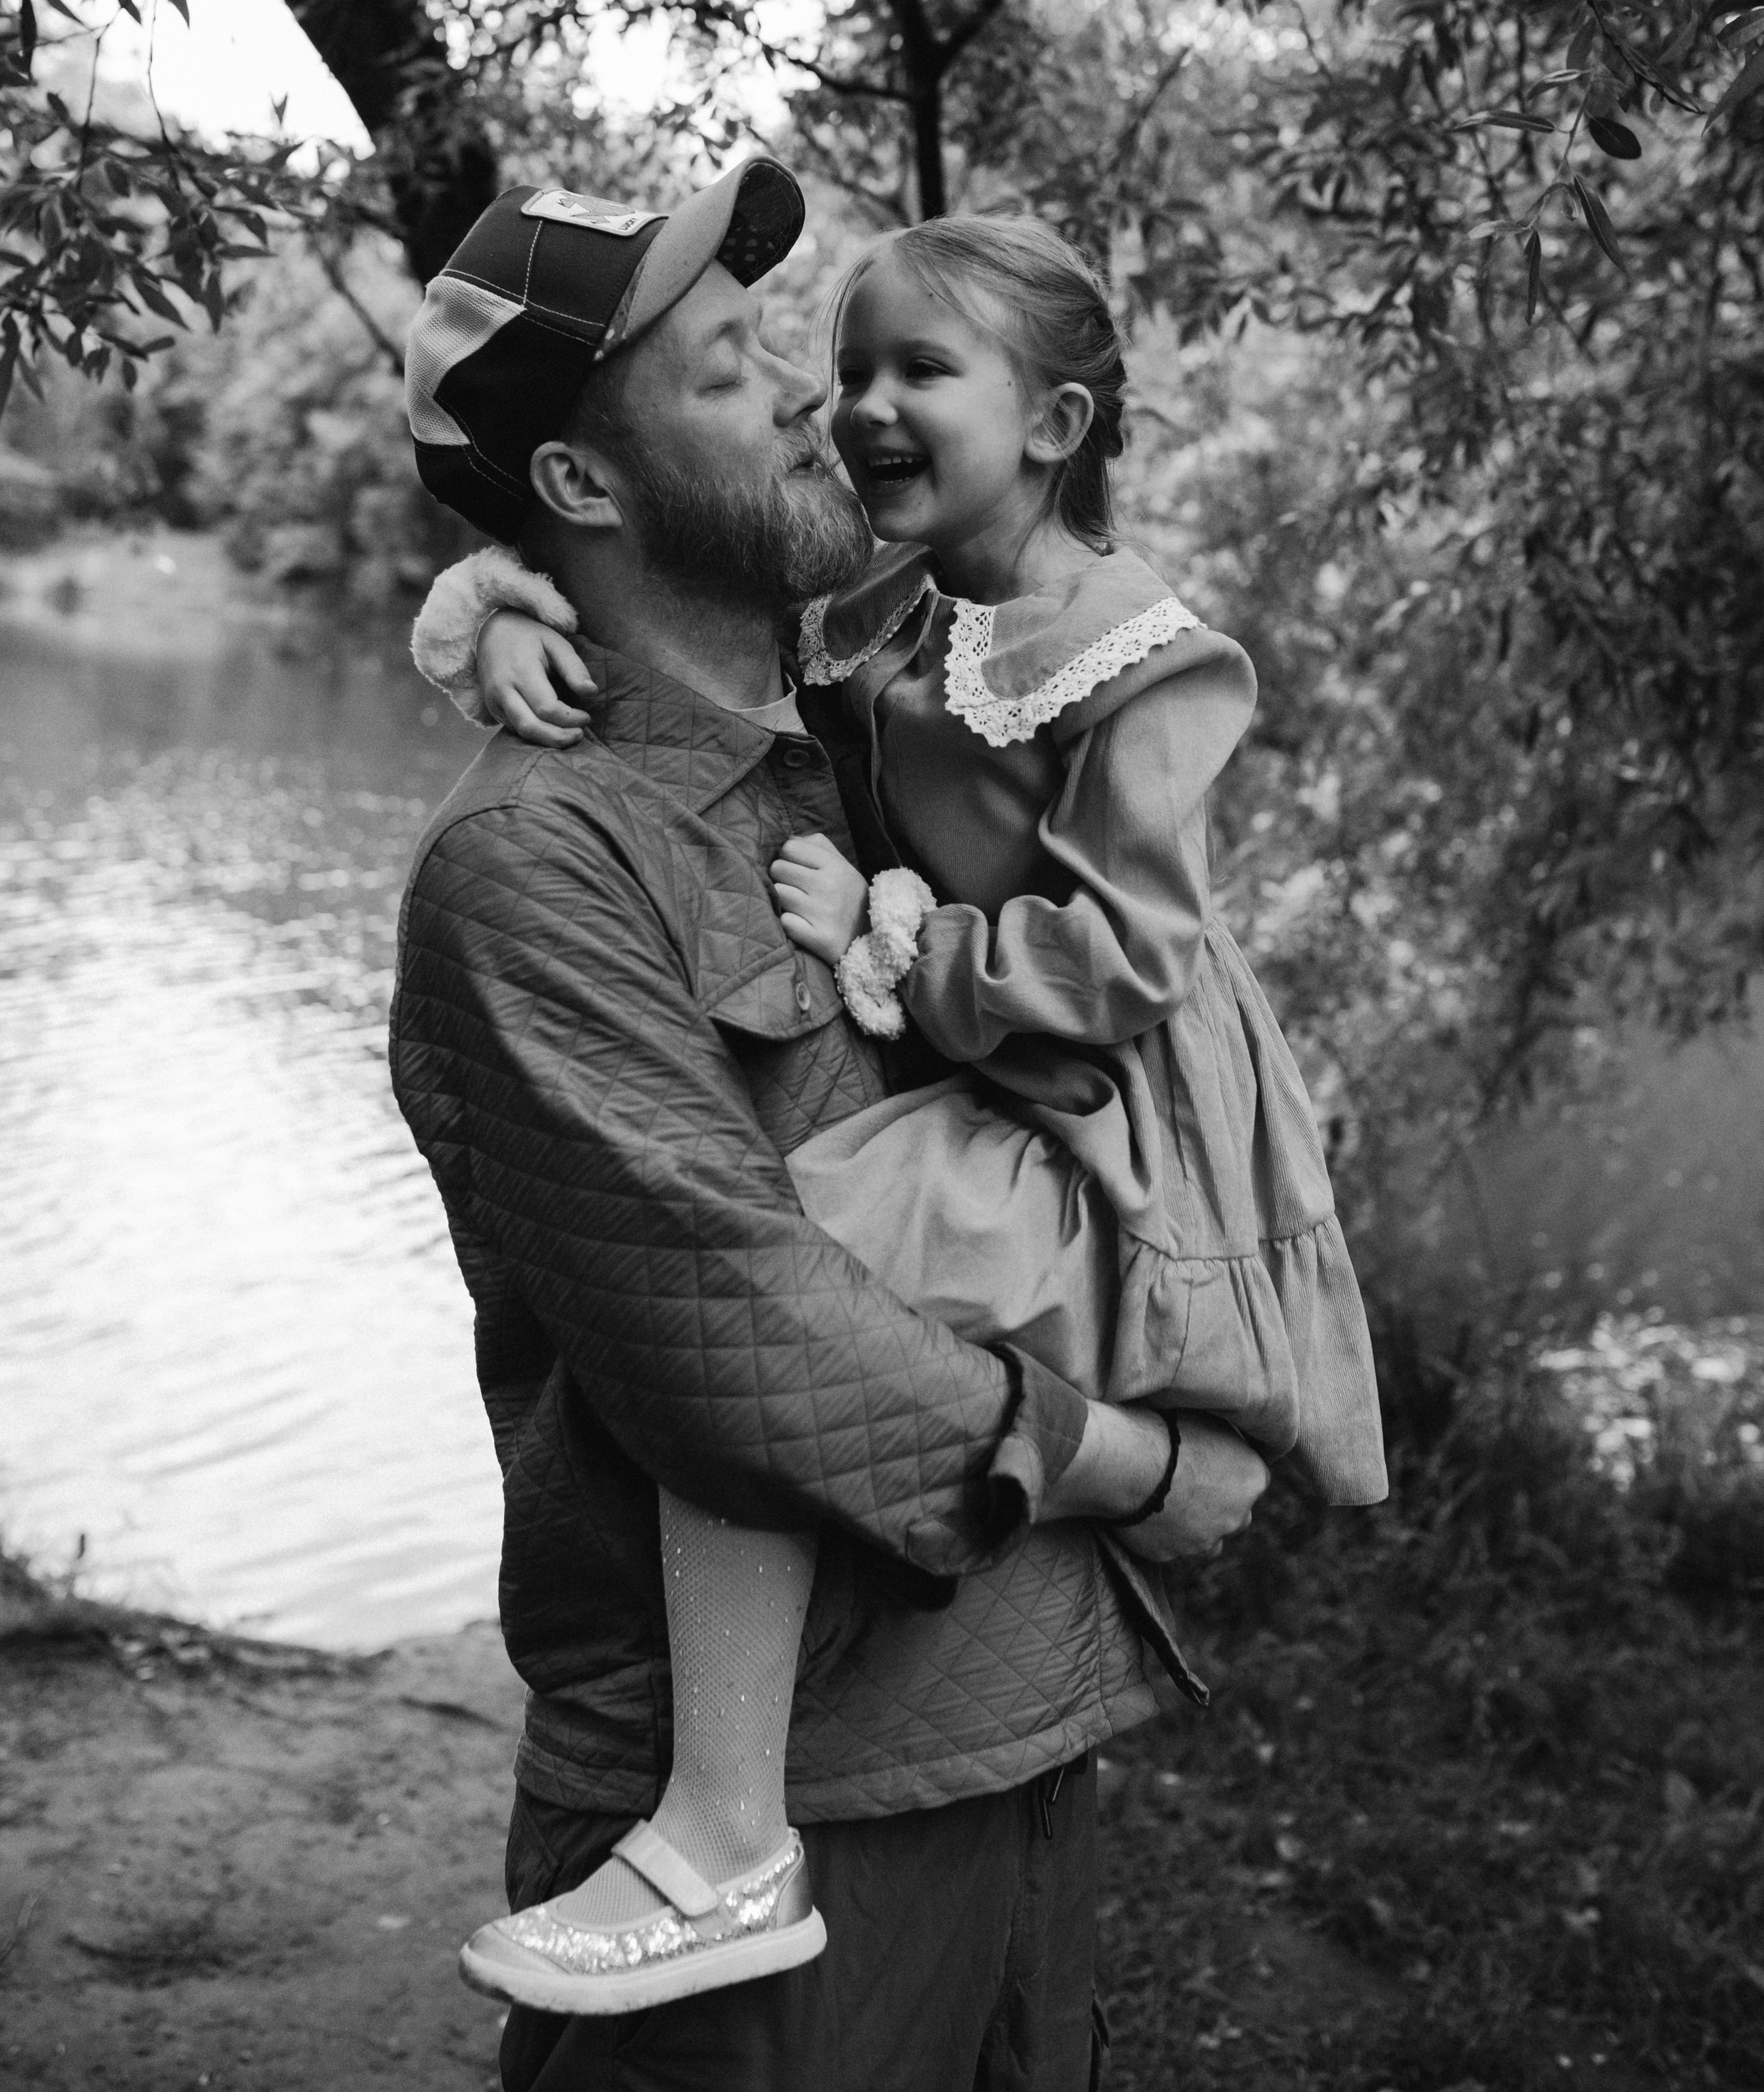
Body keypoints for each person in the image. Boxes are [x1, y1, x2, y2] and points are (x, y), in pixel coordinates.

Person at [410, 201, 1387, 2043]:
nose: (814, 401)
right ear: (581, 485)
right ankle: (715, 1846)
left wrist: (484, 587)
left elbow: (1101, 924)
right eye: (737, 368)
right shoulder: (539, 858)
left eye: (848, 361)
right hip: (823, 1778)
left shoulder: (851, 703)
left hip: (1016, 1714)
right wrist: (1142, 1466)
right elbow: (733, 1324)